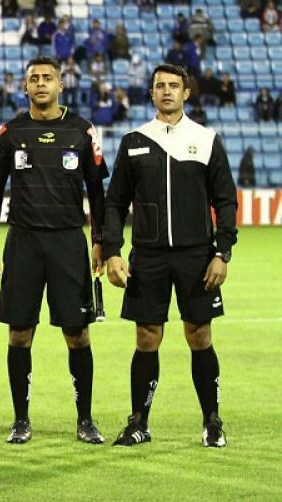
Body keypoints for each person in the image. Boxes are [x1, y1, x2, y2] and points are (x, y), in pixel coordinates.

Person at [103, 64, 237, 448]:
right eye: (159, 85)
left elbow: (225, 200)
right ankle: (139, 422)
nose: (166, 91)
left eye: (173, 86)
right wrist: (112, 251)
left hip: (198, 256)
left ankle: (212, 421)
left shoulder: (206, 139)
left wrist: (222, 252)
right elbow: (115, 203)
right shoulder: (134, 140)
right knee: (147, 337)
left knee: (200, 335)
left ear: (186, 93)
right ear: (151, 93)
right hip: (148, 256)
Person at [0, 57, 109, 445]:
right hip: (22, 241)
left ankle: (85, 420)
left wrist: (100, 241)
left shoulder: (82, 131)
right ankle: (21, 420)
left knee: (78, 335)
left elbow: (97, 192)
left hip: (69, 241)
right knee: (19, 334)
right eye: (33, 79)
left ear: (61, 86)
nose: (40, 84)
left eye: (47, 78)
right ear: (25, 88)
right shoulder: (10, 132)